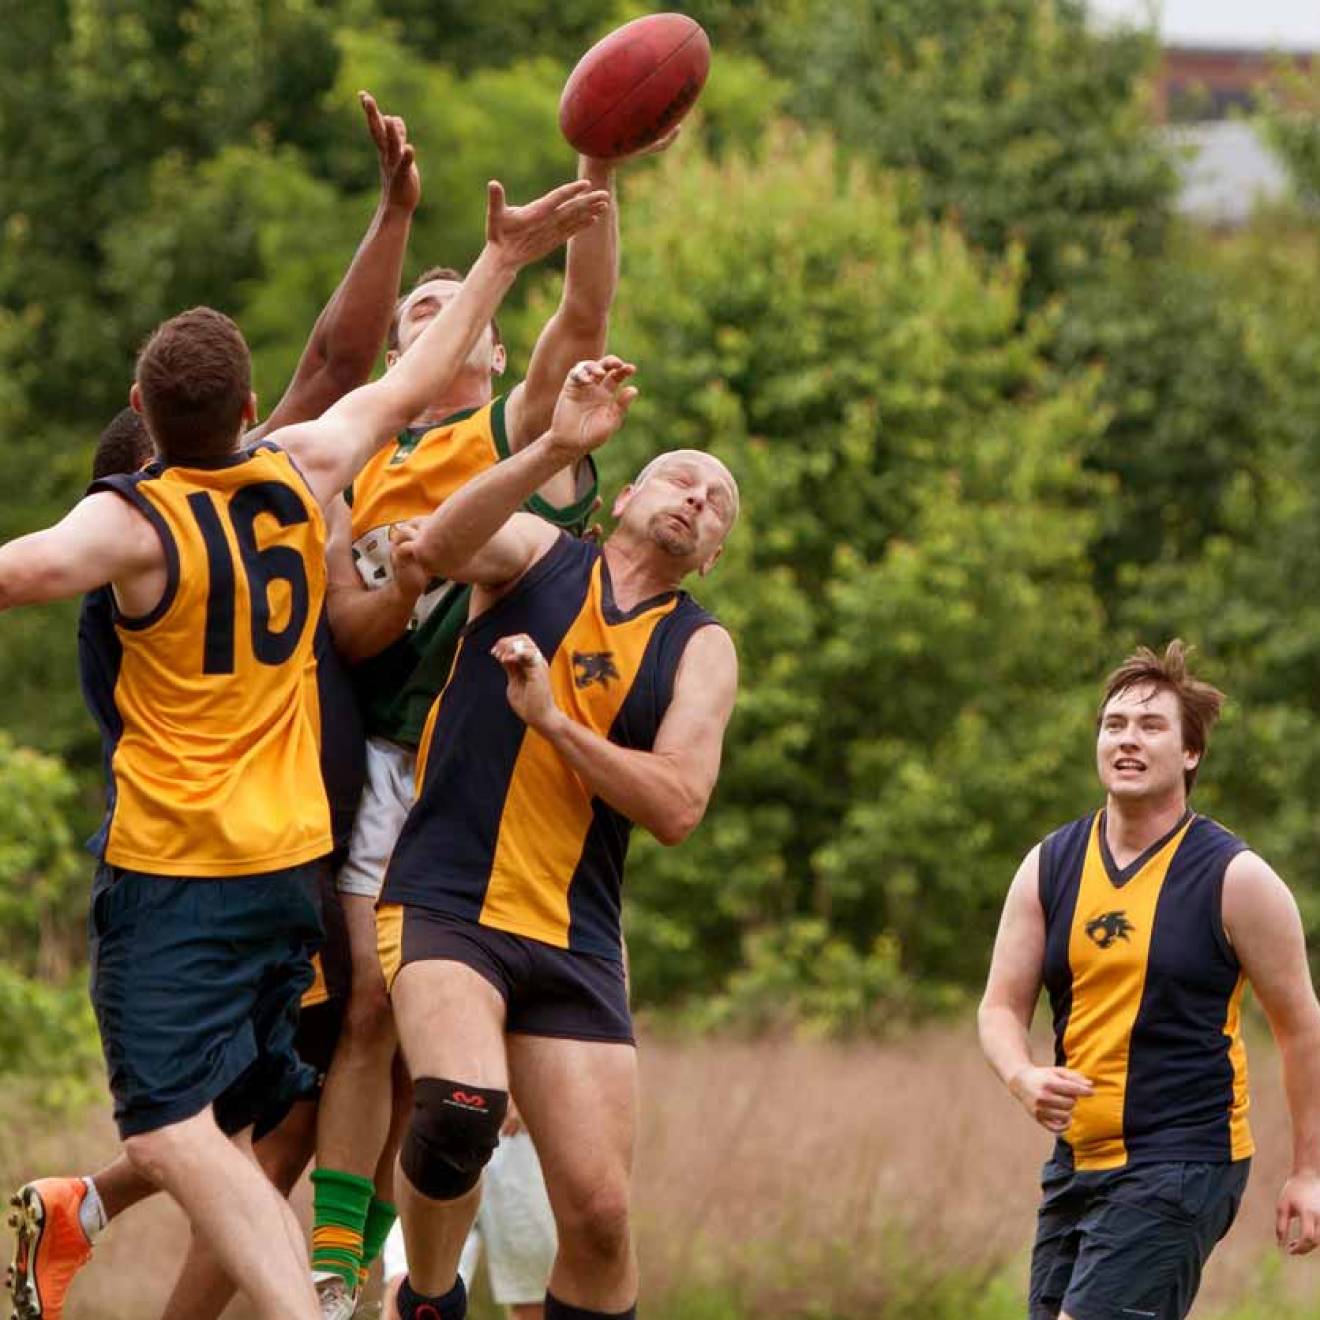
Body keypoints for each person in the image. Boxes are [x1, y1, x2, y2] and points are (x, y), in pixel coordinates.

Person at [0, 175, 608, 1320]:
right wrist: (502, 259)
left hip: (179, 873)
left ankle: (305, 1297)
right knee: (261, 1124)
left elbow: (19, 570)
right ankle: (305, 1279)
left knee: (179, 1124)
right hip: (291, 870)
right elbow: (408, 379)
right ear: (247, 416)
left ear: (142, 406)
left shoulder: (132, 523)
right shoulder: (303, 470)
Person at [4, 87, 420, 1320]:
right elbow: (337, 370)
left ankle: (76, 1206)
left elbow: (339, 366)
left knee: (257, 1122)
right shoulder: (170, 530)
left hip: (292, 843)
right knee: (265, 1134)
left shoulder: (222, 493)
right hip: (243, 853)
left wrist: (397, 223)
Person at [308, 135, 675, 1317]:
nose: (430, 315)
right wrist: (407, 574)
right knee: (372, 1013)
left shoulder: (514, 431)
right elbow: (356, 637)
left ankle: (448, 1277)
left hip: (495, 778)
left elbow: (591, 299)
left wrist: (597, 160)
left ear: (490, 341)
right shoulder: (358, 463)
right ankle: (340, 1258)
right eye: (418, 307)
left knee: (483, 1083)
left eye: (448, 299)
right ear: (408, 347)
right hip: (380, 755)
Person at [372, 355, 739, 1320]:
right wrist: (552, 445)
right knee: (458, 1110)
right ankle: (428, 1300)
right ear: (621, 497)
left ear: (711, 557)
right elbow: (435, 549)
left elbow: (677, 808)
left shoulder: (700, 647)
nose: (696, 499)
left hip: (575, 935)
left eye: (717, 504)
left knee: (604, 1215)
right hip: (448, 896)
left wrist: (557, 724)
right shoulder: (540, 549)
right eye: (680, 477)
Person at [978, 641, 1320, 1320]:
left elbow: (1302, 1027)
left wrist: (1309, 1171)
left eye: (1151, 726)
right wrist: (1023, 1077)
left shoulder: (1236, 879)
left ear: (1190, 753)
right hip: (1077, 1163)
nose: (1128, 740)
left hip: (1185, 1160)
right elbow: (998, 1007)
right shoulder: (1050, 864)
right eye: (1114, 725)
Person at [380, 1102, 557, 1320]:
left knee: (534, 1303)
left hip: (521, 1145)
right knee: (408, 1296)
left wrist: (529, 1088)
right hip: (446, 1131)